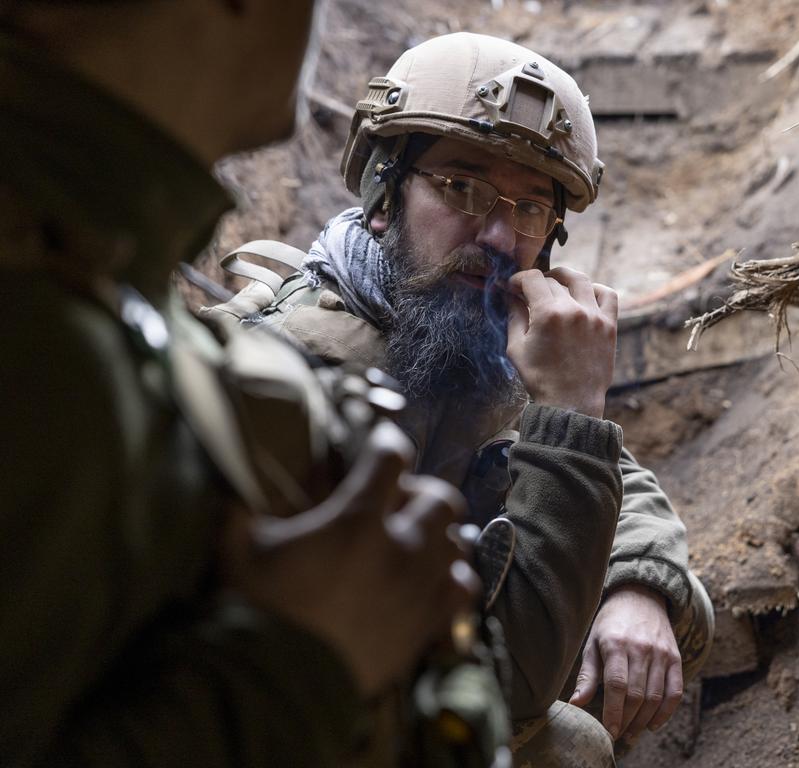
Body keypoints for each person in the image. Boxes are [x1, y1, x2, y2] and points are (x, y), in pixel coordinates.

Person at [0, 2, 484, 766]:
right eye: (462, 187)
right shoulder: (44, 345)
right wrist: (297, 664)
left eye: (529, 205)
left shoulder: (97, 263)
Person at [211, 32, 714, 765]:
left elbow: (620, 484)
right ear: (384, 192)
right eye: (461, 187)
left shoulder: (463, 345)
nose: (501, 233)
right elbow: (510, 688)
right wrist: (572, 412)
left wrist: (642, 585)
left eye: (533, 207)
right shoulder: (283, 369)